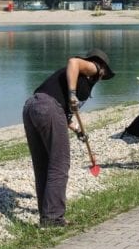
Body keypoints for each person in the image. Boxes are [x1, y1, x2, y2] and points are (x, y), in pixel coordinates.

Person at [22, 49, 114, 227]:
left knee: (43, 165)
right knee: (59, 164)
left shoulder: (71, 78)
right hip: (48, 107)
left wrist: (78, 131)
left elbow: (63, 116)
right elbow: (73, 61)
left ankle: (47, 214)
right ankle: (54, 218)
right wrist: (72, 94)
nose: (102, 77)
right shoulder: (93, 68)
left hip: (32, 107)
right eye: (104, 74)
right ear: (102, 68)